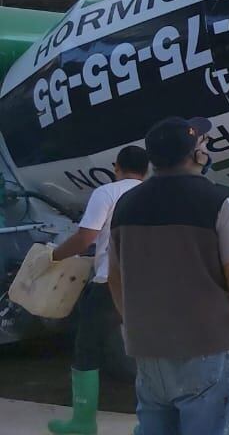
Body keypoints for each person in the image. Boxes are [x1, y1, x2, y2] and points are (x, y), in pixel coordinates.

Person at [108, 117, 229, 434]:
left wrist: (136, 324)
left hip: (149, 351)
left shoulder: (126, 205)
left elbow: (115, 277)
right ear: (195, 155)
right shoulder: (220, 202)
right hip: (208, 349)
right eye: (204, 145)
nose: (207, 151)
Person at [45, 146, 148, 434]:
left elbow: (86, 237)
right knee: (149, 351)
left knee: (87, 348)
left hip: (109, 282)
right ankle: (152, 422)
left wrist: (54, 257)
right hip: (150, 285)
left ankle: (83, 422)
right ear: (147, 169)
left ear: (117, 167)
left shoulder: (107, 193)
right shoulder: (153, 193)